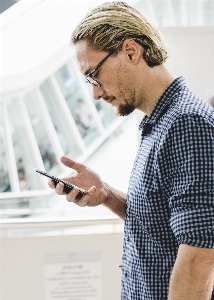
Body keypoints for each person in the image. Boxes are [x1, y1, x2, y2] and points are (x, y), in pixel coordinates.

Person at [49, 2, 214, 299]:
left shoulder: (187, 124)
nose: (96, 93)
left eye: (94, 75)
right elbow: (161, 224)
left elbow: (199, 258)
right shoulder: (157, 124)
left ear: (130, 51)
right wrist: (106, 194)